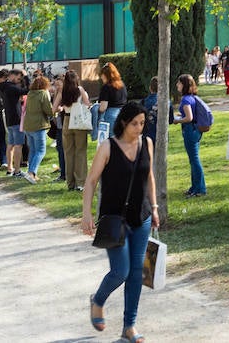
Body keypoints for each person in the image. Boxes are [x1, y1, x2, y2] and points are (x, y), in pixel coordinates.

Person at [82, 101, 158, 339]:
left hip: (141, 216)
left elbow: (150, 176)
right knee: (121, 271)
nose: (139, 128)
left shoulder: (147, 143)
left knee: (137, 272)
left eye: (143, 123)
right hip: (114, 219)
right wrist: (87, 213)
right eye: (135, 123)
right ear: (124, 122)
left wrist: (154, 207)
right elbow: (91, 181)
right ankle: (98, 299)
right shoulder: (108, 147)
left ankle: (129, 326)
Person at [173, 73, 208, 198]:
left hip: (190, 130)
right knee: (193, 160)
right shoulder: (192, 97)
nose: (177, 85)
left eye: (179, 83)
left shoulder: (186, 99)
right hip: (195, 130)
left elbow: (189, 118)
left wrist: (177, 120)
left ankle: (200, 189)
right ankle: (195, 187)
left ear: (184, 85)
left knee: (194, 160)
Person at [58, 71, 92, 191]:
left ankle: (70, 183)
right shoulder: (80, 89)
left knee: (68, 153)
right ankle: (80, 182)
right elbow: (87, 104)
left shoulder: (63, 91)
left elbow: (56, 107)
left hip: (67, 121)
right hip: (78, 121)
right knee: (80, 152)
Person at [21, 75, 54, 184]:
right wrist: (55, 110)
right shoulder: (43, 94)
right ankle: (31, 172)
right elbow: (48, 110)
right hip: (39, 125)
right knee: (41, 151)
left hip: (28, 125)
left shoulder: (30, 94)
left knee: (33, 151)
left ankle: (32, 173)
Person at [0, 69, 27, 176]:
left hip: (9, 119)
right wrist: (26, 77)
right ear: (12, 75)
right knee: (18, 145)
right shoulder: (12, 88)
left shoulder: (3, 86)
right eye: (18, 78)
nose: (19, 80)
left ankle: (9, 168)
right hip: (16, 119)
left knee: (10, 145)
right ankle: (17, 170)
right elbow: (26, 90)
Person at [95, 63, 127, 141]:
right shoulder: (122, 85)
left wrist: (95, 108)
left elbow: (103, 107)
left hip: (111, 115)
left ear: (105, 75)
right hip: (123, 114)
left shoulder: (106, 87)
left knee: (111, 142)